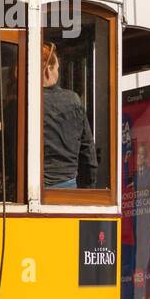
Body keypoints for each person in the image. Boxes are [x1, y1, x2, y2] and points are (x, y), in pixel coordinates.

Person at [42, 42, 97, 189]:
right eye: (57, 69)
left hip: (26, 189)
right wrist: (88, 192)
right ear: (48, 70)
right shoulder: (72, 100)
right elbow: (87, 151)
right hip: (67, 190)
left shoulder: (20, 102)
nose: (58, 74)